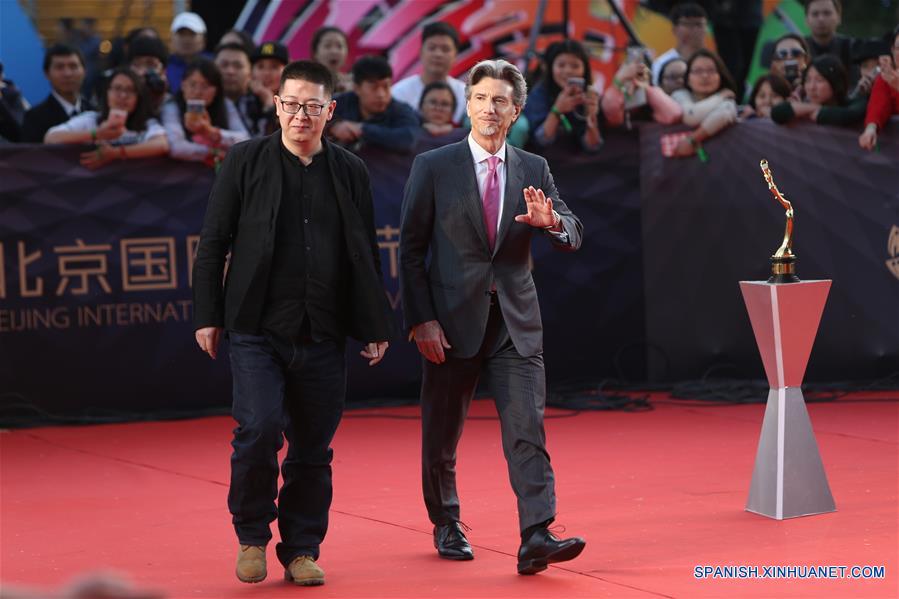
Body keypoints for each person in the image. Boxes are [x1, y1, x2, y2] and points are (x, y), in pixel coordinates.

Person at [192, 60, 393, 587]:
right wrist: (208, 315)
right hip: (257, 326)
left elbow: (364, 251)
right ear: (276, 106)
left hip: (323, 330)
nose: (299, 115)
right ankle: (252, 536)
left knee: (312, 447)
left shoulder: (350, 170)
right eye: (290, 104)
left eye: (311, 106)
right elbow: (214, 243)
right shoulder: (244, 161)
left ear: (330, 110)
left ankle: (302, 547)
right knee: (258, 428)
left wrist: (375, 322)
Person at [399, 58, 586, 576]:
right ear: (468, 103)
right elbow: (411, 251)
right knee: (442, 434)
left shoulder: (533, 168)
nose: (489, 108)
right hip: (450, 322)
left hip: (514, 321)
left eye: (500, 100)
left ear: (516, 109)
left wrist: (552, 225)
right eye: (481, 98)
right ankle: (446, 521)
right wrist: (422, 319)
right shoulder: (433, 167)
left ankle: (536, 534)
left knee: (527, 429)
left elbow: (571, 226)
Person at [44, 68, 168, 169]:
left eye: (130, 90)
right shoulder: (91, 119)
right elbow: (51, 138)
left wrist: (116, 153)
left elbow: (162, 145)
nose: (123, 96)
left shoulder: (147, 124)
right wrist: (96, 134)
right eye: (117, 88)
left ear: (138, 97)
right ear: (107, 93)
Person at [160, 58, 249, 165]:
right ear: (183, 85)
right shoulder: (171, 105)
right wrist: (213, 152)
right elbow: (176, 147)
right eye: (192, 85)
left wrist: (211, 132)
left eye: (205, 86)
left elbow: (245, 140)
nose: (198, 92)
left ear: (216, 90)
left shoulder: (225, 104)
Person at [329, 55, 419, 153]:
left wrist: (362, 129)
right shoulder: (338, 103)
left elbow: (409, 138)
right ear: (356, 88)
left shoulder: (402, 110)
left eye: (386, 86)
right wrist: (333, 126)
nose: (381, 94)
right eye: (374, 87)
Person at [523, 40, 601, 151]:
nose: (568, 71)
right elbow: (540, 141)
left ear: (585, 70)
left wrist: (591, 116)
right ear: (551, 68)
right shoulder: (538, 95)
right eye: (561, 65)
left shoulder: (589, 95)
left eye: (575, 66)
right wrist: (557, 110)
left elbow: (593, 146)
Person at [392, 22, 467, 124]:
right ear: (421, 53)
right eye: (432, 48)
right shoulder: (399, 94)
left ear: (455, 56)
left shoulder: (466, 95)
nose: (438, 54)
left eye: (445, 49)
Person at [670, 49, 738, 158]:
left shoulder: (727, 102)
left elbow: (725, 113)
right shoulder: (679, 95)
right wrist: (719, 98)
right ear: (687, 79)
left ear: (720, 75)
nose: (705, 76)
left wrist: (692, 140)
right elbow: (690, 116)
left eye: (711, 70)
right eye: (697, 71)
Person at [21, 44, 93, 143]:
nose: (67, 74)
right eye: (60, 67)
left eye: (73, 66)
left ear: (84, 71)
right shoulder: (34, 118)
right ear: (47, 74)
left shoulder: (95, 112)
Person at [770, 54, 866, 127]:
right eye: (808, 80)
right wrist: (813, 108)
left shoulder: (856, 102)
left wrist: (814, 111)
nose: (812, 87)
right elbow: (777, 113)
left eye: (819, 80)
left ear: (836, 83)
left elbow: (849, 115)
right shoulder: (802, 101)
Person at [602, 49, 682, 128]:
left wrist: (646, 88)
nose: (633, 80)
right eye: (628, 75)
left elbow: (674, 115)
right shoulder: (613, 95)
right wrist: (619, 82)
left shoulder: (653, 99)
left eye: (639, 74)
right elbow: (612, 114)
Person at [859, 26, 899, 151]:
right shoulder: (886, 77)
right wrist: (871, 129)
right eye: (898, 48)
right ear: (892, 50)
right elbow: (878, 104)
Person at [651, 3, 708, 86]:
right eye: (688, 24)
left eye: (699, 24)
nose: (695, 30)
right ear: (675, 29)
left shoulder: (712, 62)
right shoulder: (662, 63)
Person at [214, 42, 262, 135]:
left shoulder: (263, 104)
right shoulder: (202, 103)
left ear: (250, 73)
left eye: (238, 66)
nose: (230, 71)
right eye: (224, 65)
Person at [250, 41, 289, 136]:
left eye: (274, 67)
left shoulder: (293, 104)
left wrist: (269, 104)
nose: (267, 73)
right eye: (260, 67)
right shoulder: (244, 101)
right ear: (251, 71)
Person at [804, 0, 853, 73]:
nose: (821, 19)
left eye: (827, 13)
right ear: (806, 20)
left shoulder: (852, 47)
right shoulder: (798, 49)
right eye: (815, 14)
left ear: (839, 17)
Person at [167, 12, 209, 94]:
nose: (186, 39)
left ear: (203, 39)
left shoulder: (214, 64)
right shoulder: (164, 66)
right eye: (181, 34)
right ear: (172, 38)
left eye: (192, 34)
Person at [127, 35, 170, 117]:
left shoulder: (170, 102)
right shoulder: (119, 96)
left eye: (150, 64)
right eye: (137, 65)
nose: (142, 72)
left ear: (164, 70)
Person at [311, 26, 352, 93]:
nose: (334, 51)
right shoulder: (304, 83)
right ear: (315, 53)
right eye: (327, 46)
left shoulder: (352, 85)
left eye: (339, 46)